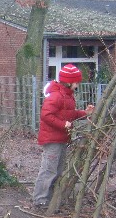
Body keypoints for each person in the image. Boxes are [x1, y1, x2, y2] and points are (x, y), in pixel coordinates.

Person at [33, 64, 94, 208]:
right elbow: (46, 115)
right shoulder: (56, 96)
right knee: (49, 169)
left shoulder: (67, 96)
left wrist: (85, 113)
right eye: (76, 82)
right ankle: (40, 199)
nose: (78, 84)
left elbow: (70, 115)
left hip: (61, 138)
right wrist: (63, 124)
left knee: (58, 170)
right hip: (52, 139)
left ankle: (51, 198)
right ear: (68, 82)